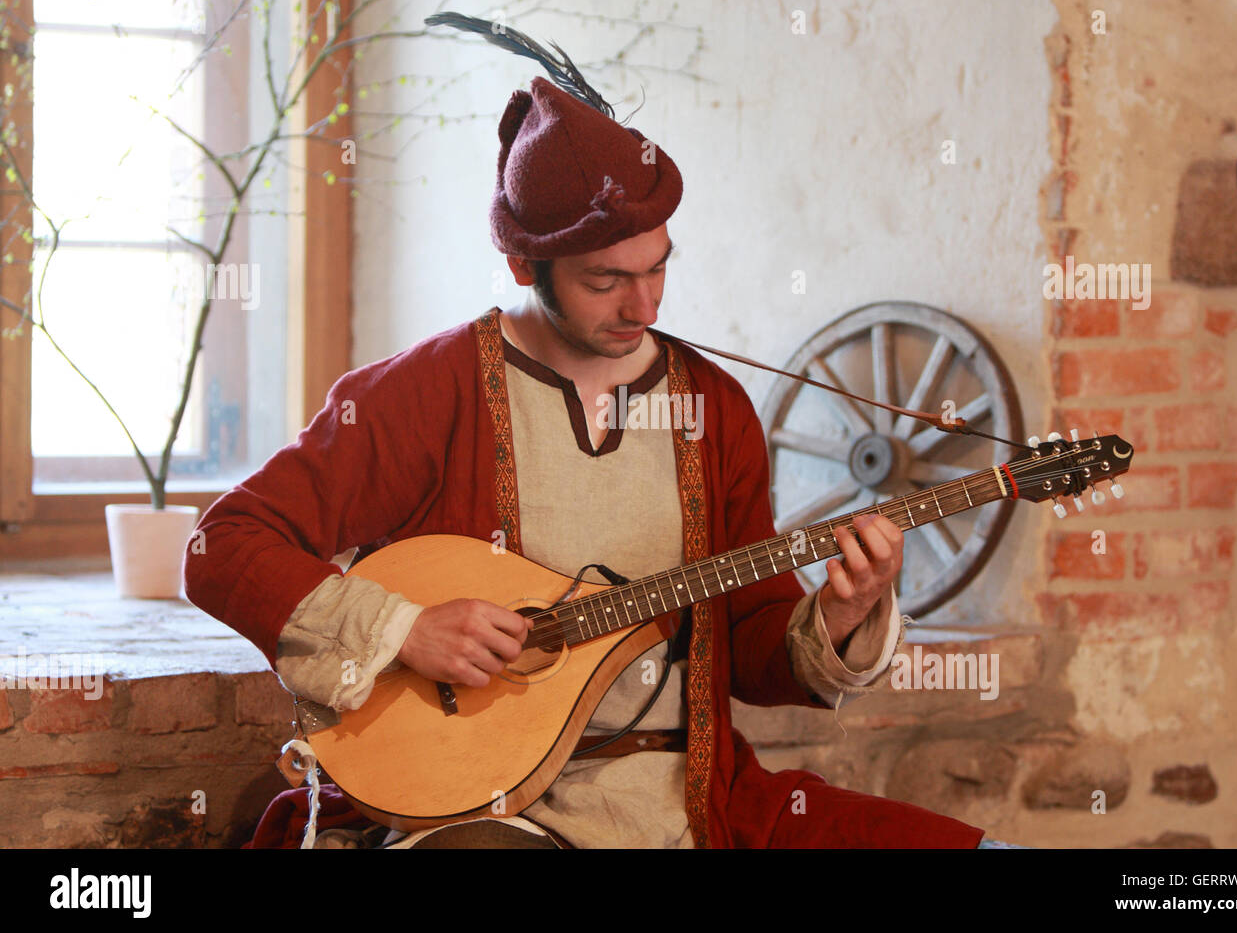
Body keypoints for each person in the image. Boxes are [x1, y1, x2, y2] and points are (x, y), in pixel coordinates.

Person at [184, 72, 985, 849]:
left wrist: (841, 618)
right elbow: (223, 548)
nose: (644, 306)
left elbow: (746, 642)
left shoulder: (715, 410)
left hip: (697, 804)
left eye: (658, 267)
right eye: (607, 280)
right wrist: (404, 630)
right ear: (525, 267)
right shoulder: (427, 392)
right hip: (480, 811)